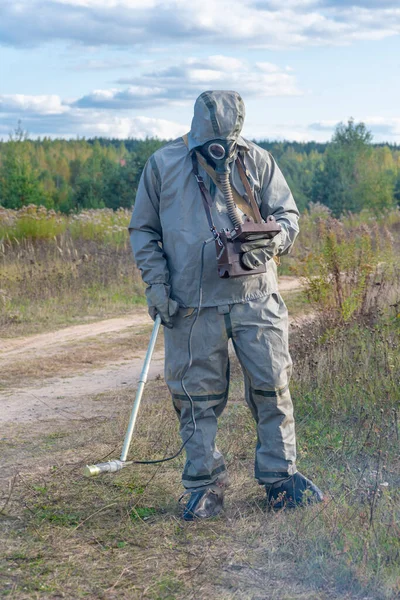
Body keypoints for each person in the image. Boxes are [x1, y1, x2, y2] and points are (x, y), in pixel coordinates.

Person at [129, 90, 323, 520]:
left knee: (272, 387)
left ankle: (280, 478)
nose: (219, 151)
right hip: (191, 303)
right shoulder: (164, 164)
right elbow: (143, 230)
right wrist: (156, 285)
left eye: (227, 143)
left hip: (256, 299)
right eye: (211, 143)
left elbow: (289, 215)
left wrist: (274, 238)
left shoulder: (257, 160)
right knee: (196, 398)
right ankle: (204, 486)